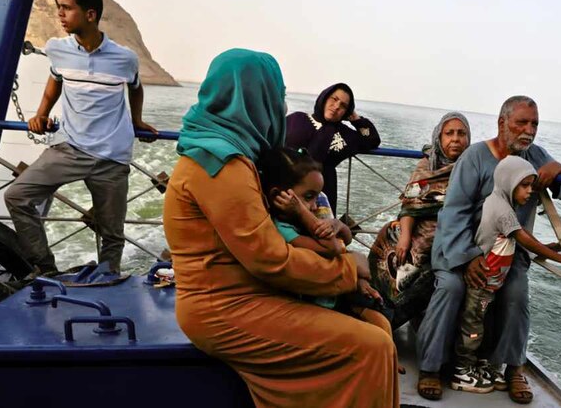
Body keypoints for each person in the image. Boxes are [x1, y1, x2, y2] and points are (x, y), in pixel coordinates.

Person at [163, 49, 398, 408]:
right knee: (371, 347)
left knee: (378, 330)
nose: (281, 106)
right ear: (255, 98)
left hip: (246, 293)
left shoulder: (231, 151)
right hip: (225, 307)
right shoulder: (222, 164)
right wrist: (347, 271)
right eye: (278, 96)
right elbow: (270, 260)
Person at [416, 95, 561, 404]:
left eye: (534, 124)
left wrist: (560, 169)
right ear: (502, 123)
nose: (528, 131)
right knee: (450, 287)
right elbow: (454, 213)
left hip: (508, 254)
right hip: (461, 248)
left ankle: (513, 368)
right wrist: (469, 258)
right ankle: (430, 367)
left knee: (516, 292)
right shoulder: (475, 157)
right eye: (521, 123)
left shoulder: (535, 156)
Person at [4, 0, 157, 274]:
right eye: (59, 8)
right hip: (68, 149)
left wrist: (136, 120)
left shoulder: (124, 58)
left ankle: (106, 278)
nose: (60, 14)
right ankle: (46, 268)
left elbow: (135, 88)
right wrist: (41, 113)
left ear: (90, 14)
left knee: (112, 232)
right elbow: (55, 80)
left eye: (67, 8)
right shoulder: (57, 49)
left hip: (111, 157)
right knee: (17, 196)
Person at [259, 147, 404, 372]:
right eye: (308, 198)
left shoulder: (311, 216)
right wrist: (302, 213)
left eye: (318, 196)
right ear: (280, 196)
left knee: (382, 320)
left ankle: (391, 363)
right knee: (370, 336)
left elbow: (344, 237)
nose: (316, 205)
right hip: (315, 303)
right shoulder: (285, 229)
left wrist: (337, 224)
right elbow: (334, 247)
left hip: (337, 294)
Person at [451, 155, 561, 394]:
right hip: (481, 283)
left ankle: (479, 366)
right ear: (508, 182)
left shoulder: (503, 203)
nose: (530, 192)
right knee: (472, 329)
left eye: (532, 185)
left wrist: (551, 246)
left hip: (491, 285)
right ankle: (462, 372)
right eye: (524, 186)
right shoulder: (501, 209)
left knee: (484, 326)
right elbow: (522, 237)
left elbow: (519, 238)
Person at [368, 112, 471, 329]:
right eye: (449, 133)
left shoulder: (472, 168)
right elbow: (409, 205)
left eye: (461, 134)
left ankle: (389, 322)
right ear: (439, 137)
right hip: (416, 232)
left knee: (426, 273)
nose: (455, 139)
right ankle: (374, 309)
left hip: (448, 241)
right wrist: (405, 237)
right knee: (393, 247)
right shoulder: (426, 165)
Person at [285, 83, 381, 215]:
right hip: (287, 190)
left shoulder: (344, 134)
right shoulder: (297, 119)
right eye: (334, 99)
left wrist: (355, 118)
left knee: (322, 233)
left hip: (322, 195)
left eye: (343, 106)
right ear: (324, 98)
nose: (336, 107)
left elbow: (373, 139)